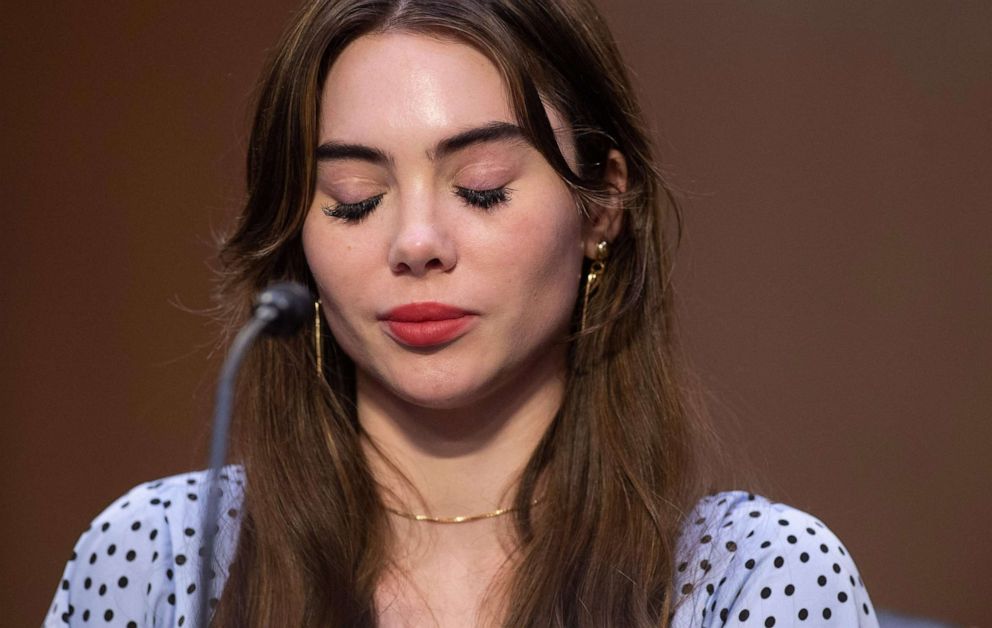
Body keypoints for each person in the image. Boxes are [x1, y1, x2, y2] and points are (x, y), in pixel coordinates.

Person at [45, 1, 879, 626]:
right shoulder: (158, 559)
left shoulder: (755, 579)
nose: (416, 241)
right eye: (353, 199)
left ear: (601, 208)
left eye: (480, 186)